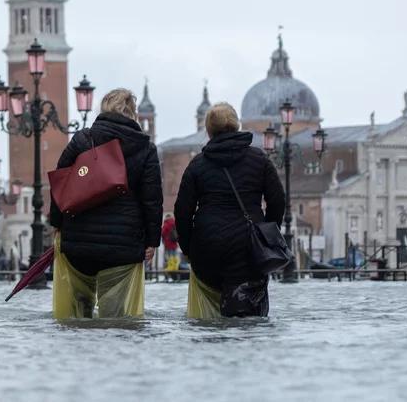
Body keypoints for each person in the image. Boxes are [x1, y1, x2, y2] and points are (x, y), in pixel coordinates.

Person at [50, 88, 163, 319]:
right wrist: (152, 240)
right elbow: (152, 199)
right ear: (132, 113)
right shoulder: (145, 148)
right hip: (124, 245)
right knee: (118, 320)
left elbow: (60, 182)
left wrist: (57, 223)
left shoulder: (82, 139)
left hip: (79, 241)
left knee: (77, 317)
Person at [174, 102, 285, 318]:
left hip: (208, 247)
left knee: (210, 321)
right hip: (248, 248)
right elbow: (278, 201)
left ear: (208, 130)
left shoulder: (198, 164)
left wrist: (188, 247)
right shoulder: (259, 159)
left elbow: (182, 211)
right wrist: (267, 235)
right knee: (246, 322)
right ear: (237, 125)